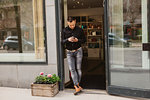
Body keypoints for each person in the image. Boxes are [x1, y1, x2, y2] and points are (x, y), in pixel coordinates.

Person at [61, 16, 86, 94]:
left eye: (73, 25)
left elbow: (84, 40)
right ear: (67, 22)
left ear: (75, 21)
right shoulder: (64, 30)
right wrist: (68, 40)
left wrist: (77, 40)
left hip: (78, 50)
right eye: (70, 25)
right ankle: (77, 85)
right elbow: (62, 41)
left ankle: (77, 85)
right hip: (69, 52)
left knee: (78, 69)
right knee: (72, 69)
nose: (71, 26)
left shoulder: (80, 30)